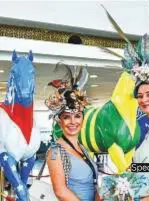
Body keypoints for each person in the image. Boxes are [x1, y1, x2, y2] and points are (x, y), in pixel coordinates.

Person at [45, 64, 99, 201]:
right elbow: (61, 191)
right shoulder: (55, 152)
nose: (73, 122)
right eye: (67, 117)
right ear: (59, 121)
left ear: (83, 118)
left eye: (77, 116)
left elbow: (93, 184)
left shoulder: (82, 148)